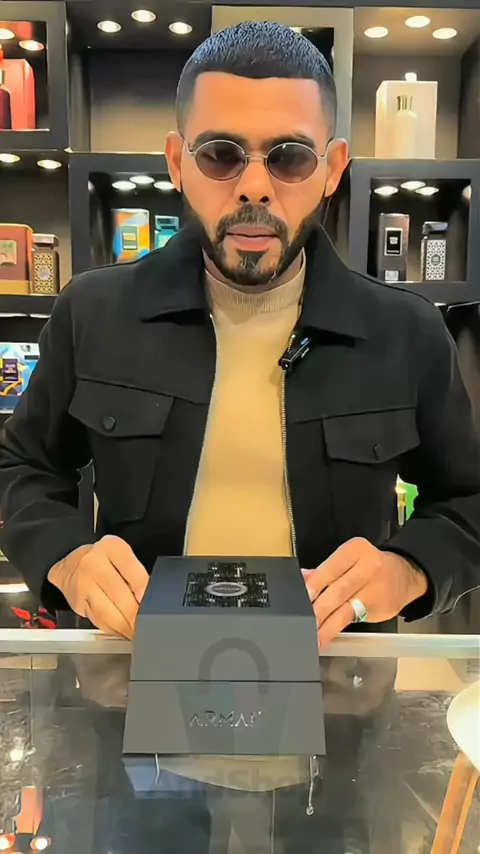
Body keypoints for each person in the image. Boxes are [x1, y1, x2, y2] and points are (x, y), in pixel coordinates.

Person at [0, 21, 480, 644]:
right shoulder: (93, 313)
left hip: (338, 684)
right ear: (177, 163)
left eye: (290, 157)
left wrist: (408, 569)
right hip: (136, 673)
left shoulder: (406, 331)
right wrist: (67, 558)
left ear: (332, 169)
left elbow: (467, 501)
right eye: (221, 155)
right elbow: (22, 465)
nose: (255, 186)